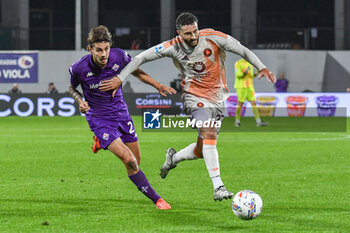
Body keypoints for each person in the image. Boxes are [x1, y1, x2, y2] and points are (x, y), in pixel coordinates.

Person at [99, 12, 276, 201]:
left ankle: (173, 158)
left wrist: (261, 66)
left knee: (202, 149)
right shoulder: (172, 46)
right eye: (188, 34)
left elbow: (242, 50)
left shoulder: (214, 37)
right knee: (208, 132)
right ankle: (219, 187)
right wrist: (120, 78)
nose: (193, 37)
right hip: (194, 97)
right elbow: (140, 58)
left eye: (195, 31)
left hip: (217, 99)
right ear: (179, 33)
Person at [68, 25, 176, 209]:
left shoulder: (119, 56)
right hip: (99, 119)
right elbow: (72, 88)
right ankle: (157, 199)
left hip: (121, 114)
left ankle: (100, 142)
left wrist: (157, 85)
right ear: (90, 49)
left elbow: (137, 71)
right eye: (99, 50)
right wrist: (79, 100)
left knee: (136, 162)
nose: (104, 54)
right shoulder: (79, 68)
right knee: (130, 161)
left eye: (106, 48)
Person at [234, 59, 268, 127]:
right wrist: (246, 72)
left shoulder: (250, 63)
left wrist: (255, 73)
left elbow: (250, 76)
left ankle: (258, 121)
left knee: (254, 102)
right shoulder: (238, 63)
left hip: (249, 86)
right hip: (241, 86)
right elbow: (238, 75)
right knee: (240, 104)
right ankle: (237, 121)